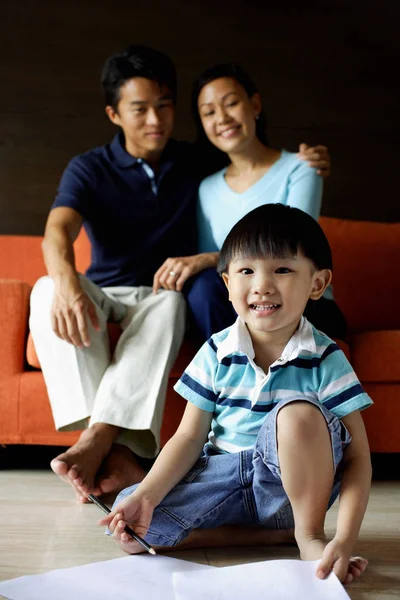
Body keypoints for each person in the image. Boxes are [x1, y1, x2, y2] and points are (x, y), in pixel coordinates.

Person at [29, 45, 330, 504]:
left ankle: (101, 449)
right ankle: (104, 443)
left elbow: (250, 162)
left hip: (159, 293)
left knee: (170, 302)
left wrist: (307, 159)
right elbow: (56, 231)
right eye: (140, 109)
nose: (155, 120)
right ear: (114, 114)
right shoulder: (89, 167)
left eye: (164, 106)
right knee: (47, 286)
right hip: (103, 289)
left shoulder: (194, 162)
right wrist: (68, 286)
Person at [100, 204, 371, 585]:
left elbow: (358, 455)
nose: (261, 284)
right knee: (131, 518)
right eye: (246, 271)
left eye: (282, 269)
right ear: (227, 284)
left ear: (317, 284)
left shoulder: (326, 358)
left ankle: (306, 537)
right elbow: (190, 437)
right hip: (224, 481)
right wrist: (147, 494)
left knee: (296, 413)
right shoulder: (215, 351)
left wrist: (343, 538)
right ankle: (267, 538)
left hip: (288, 494)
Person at [153, 63, 346, 342]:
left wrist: (209, 258)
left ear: (255, 105)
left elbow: (292, 247)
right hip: (245, 307)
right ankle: (228, 378)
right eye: (208, 112)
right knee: (205, 288)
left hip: (304, 304)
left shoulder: (301, 167)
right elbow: (219, 276)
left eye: (231, 103)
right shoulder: (207, 188)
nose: (222, 118)